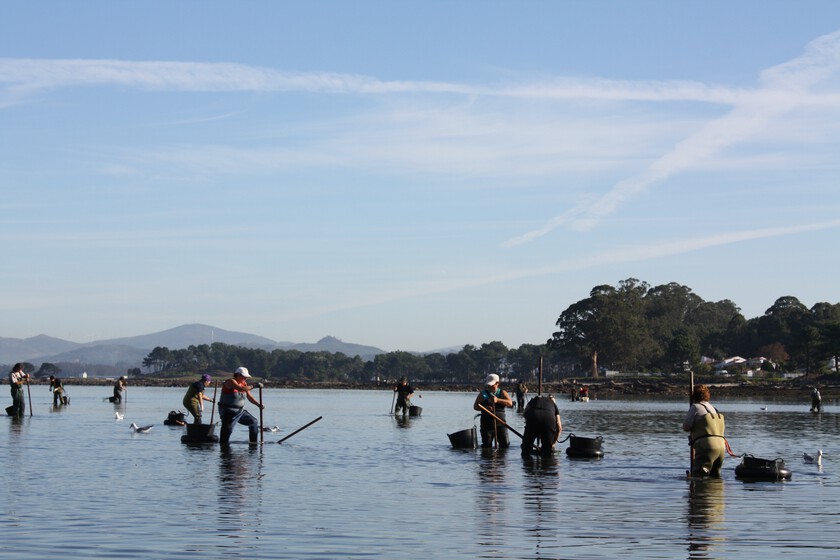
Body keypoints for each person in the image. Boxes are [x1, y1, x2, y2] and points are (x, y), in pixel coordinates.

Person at [683, 384, 726, 478]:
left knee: (699, 476)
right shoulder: (713, 409)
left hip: (706, 446)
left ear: (693, 396)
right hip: (721, 447)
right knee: (715, 476)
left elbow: (686, 427)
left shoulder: (695, 407)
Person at [217, 367, 264, 445]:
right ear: (238, 375)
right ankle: (224, 447)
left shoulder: (244, 383)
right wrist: (254, 386)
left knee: (253, 421)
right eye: (244, 377)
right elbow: (240, 388)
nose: (245, 378)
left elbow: (250, 397)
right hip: (228, 411)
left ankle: (253, 443)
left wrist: (258, 405)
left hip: (240, 411)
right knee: (227, 432)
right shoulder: (230, 381)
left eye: (246, 377)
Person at [473, 373, 513, 448]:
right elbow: (475, 406)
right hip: (487, 425)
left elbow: (510, 403)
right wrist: (485, 408)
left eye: (492, 384)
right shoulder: (483, 394)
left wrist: (498, 400)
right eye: (488, 385)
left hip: (501, 424)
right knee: (487, 445)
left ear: (497, 383)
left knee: (505, 445)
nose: (490, 386)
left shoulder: (502, 393)